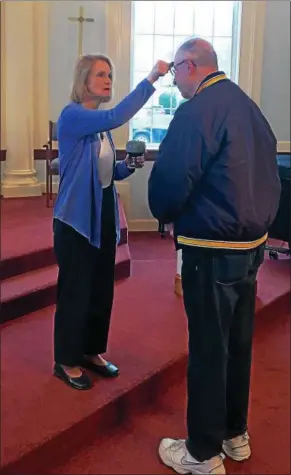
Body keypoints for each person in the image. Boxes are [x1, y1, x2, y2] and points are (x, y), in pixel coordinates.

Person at [148, 38, 281, 474]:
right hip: (251, 247)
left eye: (174, 73)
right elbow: (272, 176)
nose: (175, 82)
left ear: (190, 66)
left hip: (210, 247)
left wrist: (165, 214)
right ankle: (234, 434)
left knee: (208, 348)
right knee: (238, 345)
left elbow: (170, 180)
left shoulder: (198, 110)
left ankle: (202, 454)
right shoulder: (248, 107)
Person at [53, 54, 169, 390]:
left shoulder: (99, 131)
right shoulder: (74, 116)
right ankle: (65, 360)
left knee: (101, 287)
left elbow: (106, 172)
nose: (108, 80)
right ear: (83, 80)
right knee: (76, 290)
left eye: (110, 75)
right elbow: (119, 115)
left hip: (102, 208)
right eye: (101, 75)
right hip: (75, 217)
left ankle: (90, 351)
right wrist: (151, 79)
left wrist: (129, 166)